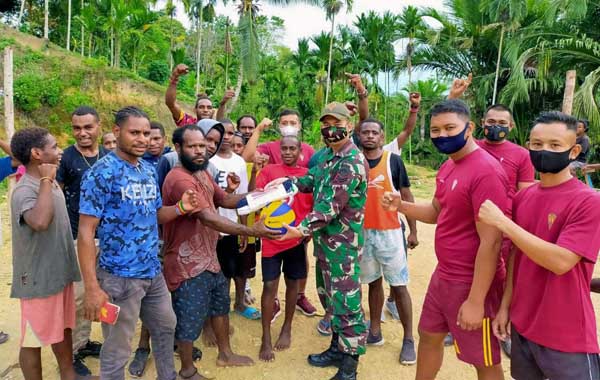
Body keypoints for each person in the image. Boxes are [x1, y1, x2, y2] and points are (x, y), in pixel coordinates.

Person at [382, 99, 509, 380]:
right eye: (435, 130)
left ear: (470, 128)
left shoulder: (486, 171)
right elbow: (437, 212)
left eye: (450, 128)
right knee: (428, 335)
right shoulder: (449, 166)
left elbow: (492, 243)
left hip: (474, 280)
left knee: (484, 359)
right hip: (445, 276)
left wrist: (476, 301)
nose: (442, 135)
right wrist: (400, 205)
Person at [77, 106, 198, 380]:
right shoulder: (101, 174)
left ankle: (167, 376)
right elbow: (86, 232)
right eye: (135, 133)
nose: (142, 139)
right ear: (117, 132)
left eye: (146, 133)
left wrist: (180, 207)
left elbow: (155, 214)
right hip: (117, 278)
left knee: (167, 326)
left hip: (152, 272)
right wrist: (93, 288)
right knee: (117, 348)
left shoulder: (146, 170)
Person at [478, 111, 600, 380]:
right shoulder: (525, 197)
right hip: (523, 327)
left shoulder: (588, 201)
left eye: (555, 145)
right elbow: (516, 257)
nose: (544, 151)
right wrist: (506, 307)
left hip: (567, 335)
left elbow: (561, 262)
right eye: (536, 144)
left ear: (574, 150)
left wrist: (503, 223)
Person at [163, 124, 281, 379]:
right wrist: (252, 232)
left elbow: (225, 200)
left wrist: (265, 194)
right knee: (189, 317)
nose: (199, 151)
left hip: (208, 257)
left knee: (219, 306)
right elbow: (209, 218)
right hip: (186, 264)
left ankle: (225, 354)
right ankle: (186, 369)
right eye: (192, 146)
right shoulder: (179, 179)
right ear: (178, 148)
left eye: (202, 146)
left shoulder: (202, 172)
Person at [279, 102, 368, 380]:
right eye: (326, 125)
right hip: (327, 246)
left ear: (349, 126)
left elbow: (329, 207)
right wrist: (284, 185)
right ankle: (336, 349)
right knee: (331, 300)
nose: (330, 130)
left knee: (347, 306)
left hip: (343, 248)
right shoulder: (330, 158)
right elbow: (310, 179)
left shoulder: (351, 162)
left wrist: (300, 229)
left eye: (336, 125)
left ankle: (349, 369)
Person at [10, 127, 96, 380]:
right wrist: (47, 180)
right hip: (38, 279)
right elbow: (39, 222)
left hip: (60, 273)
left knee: (64, 327)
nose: (60, 152)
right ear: (37, 153)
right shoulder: (26, 189)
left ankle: (68, 375)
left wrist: (48, 180)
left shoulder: (48, 182)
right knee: (33, 337)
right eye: (54, 146)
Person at [242, 112, 318, 316]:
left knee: (300, 260)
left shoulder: (309, 155)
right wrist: (258, 129)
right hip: (273, 226)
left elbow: (313, 186)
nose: (289, 125)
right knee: (271, 280)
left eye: (293, 122)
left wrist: (308, 226)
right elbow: (249, 159)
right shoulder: (269, 150)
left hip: (298, 220)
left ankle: (300, 296)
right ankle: (273, 301)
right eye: (284, 123)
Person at [357, 117, 418, 365]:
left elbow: (406, 195)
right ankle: (374, 331)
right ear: (359, 136)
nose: (370, 136)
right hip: (364, 233)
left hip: (390, 232)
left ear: (382, 137)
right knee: (372, 283)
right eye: (365, 132)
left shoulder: (393, 160)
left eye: (374, 133)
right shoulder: (355, 161)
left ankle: (408, 339)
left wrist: (413, 230)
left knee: (399, 286)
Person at [56, 106, 107, 376]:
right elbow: (56, 196)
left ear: (99, 126)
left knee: (99, 294)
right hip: (78, 238)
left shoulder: (109, 156)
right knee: (77, 296)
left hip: (107, 239)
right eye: (77, 128)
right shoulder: (65, 158)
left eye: (88, 127)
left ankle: (85, 342)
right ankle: (72, 352)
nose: (82, 133)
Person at [255, 135, 314, 362]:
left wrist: (306, 232)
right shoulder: (270, 172)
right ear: (279, 151)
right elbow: (256, 197)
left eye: (292, 148)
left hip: (295, 240)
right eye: (284, 148)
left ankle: (287, 327)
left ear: (300, 151)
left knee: (292, 284)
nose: (288, 152)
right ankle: (266, 338)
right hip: (271, 238)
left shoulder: (306, 177)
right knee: (269, 286)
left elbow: (311, 207)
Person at [209, 119, 259, 319]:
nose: (227, 137)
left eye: (230, 133)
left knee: (240, 269)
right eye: (223, 133)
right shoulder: (209, 161)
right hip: (213, 226)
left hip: (234, 226)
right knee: (221, 273)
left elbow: (244, 197)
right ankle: (219, 311)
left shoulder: (239, 162)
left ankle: (239, 303)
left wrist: (244, 229)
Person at [166, 64, 231, 125]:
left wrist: (223, 103)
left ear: (213, 111)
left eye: (209, 107)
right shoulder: (189, 123)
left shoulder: (216, 128)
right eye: (201, 107)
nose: (205, 110)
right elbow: (171, 104)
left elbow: (221, 122)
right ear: (195, 110)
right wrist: (174, 79)